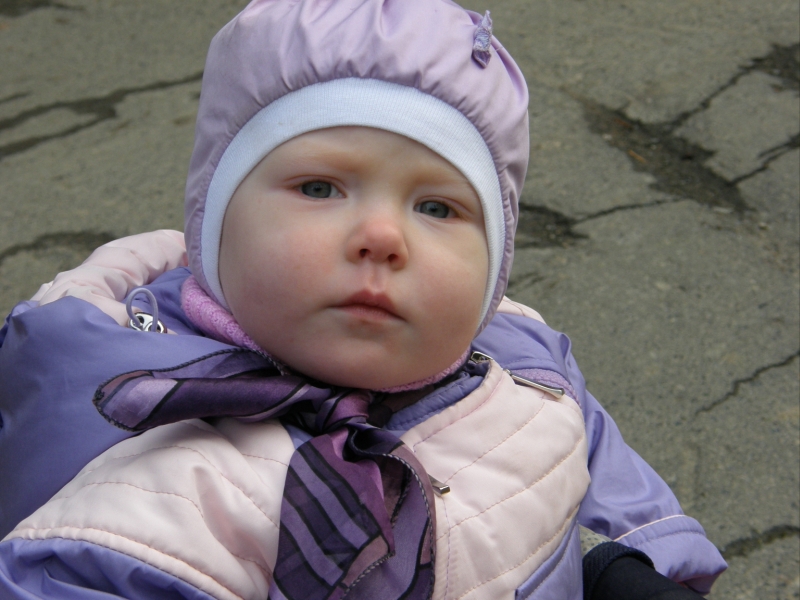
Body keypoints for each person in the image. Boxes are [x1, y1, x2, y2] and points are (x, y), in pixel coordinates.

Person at [0, 1, 726, 598]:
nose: (381, 236)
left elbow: (591, 459)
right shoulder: (152, 478)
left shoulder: (523, 360)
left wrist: (631, 561)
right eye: (320, 188)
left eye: (437, 207)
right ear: (212, 226)